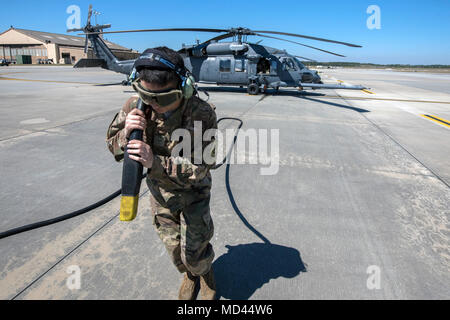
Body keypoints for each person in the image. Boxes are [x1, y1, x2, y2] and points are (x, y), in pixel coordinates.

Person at [106, 47, 218, 300]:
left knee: (195, 251)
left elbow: (201, 169)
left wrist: (154, 161)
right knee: (176, 252)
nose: (154, 104)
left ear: (185, 88)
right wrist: (125, 135)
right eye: (146, 95)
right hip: (161, 195)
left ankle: (204, 272)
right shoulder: (135, 107)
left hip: (194, 194)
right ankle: (190, 275)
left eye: (163, 98)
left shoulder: (202, 113)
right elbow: (111, 144)